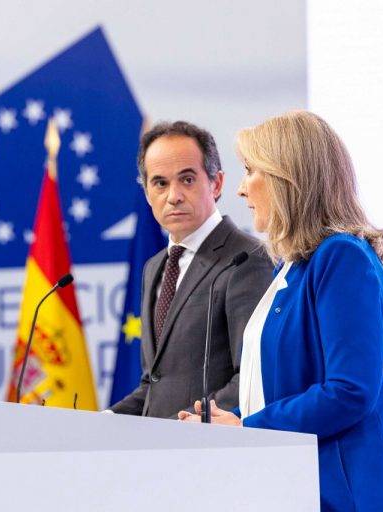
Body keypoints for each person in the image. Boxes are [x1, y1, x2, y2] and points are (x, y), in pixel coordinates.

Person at [178, 111, 383, 511]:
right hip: (306, 483)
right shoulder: (293, 267)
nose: (242, 190)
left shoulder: (342, 257)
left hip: (358, 489)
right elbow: (284, 389)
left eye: (250, 171)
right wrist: (224, 420)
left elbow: (349, 391)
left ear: (288, 178)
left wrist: (247, 427)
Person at [108, 121, 274, 418]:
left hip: (210, 442)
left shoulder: (246, 258)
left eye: (187, 179)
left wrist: (179, 427)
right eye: (160, 183)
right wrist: (105, 421)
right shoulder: (154, 267)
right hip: (161, 443)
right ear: (146, 193)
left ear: (216, 183)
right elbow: (155, 384)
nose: (174, 196)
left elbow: (250, 379)